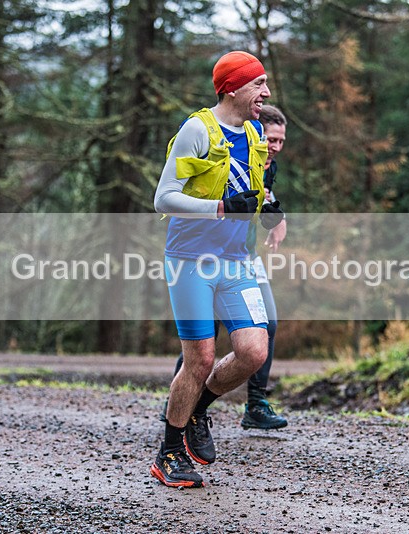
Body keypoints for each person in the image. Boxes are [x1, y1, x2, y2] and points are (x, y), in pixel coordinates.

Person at [150, 51, 285, 488]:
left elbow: (249, 189)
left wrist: (268, 209)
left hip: (237, 262)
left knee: (253, 351)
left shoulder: (252, 132)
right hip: (191, 261)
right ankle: (169, 451)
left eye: (265, 84)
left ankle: (197, 412)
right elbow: (164, 198)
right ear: (232, 88)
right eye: (258, 84)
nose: (265, 93)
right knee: (200, 359)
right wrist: (221, 208)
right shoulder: (197, 130)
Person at [166, 104, 289, 430]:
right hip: (202, 257)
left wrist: (278, 217)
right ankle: (181, 404)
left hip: (244, 258)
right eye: (271, 139)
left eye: (280, 141)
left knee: (266, 326)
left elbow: (265, 196)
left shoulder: (268, 166)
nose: (274, 147)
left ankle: (256, 403)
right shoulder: (231, 151)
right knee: (202, 344)